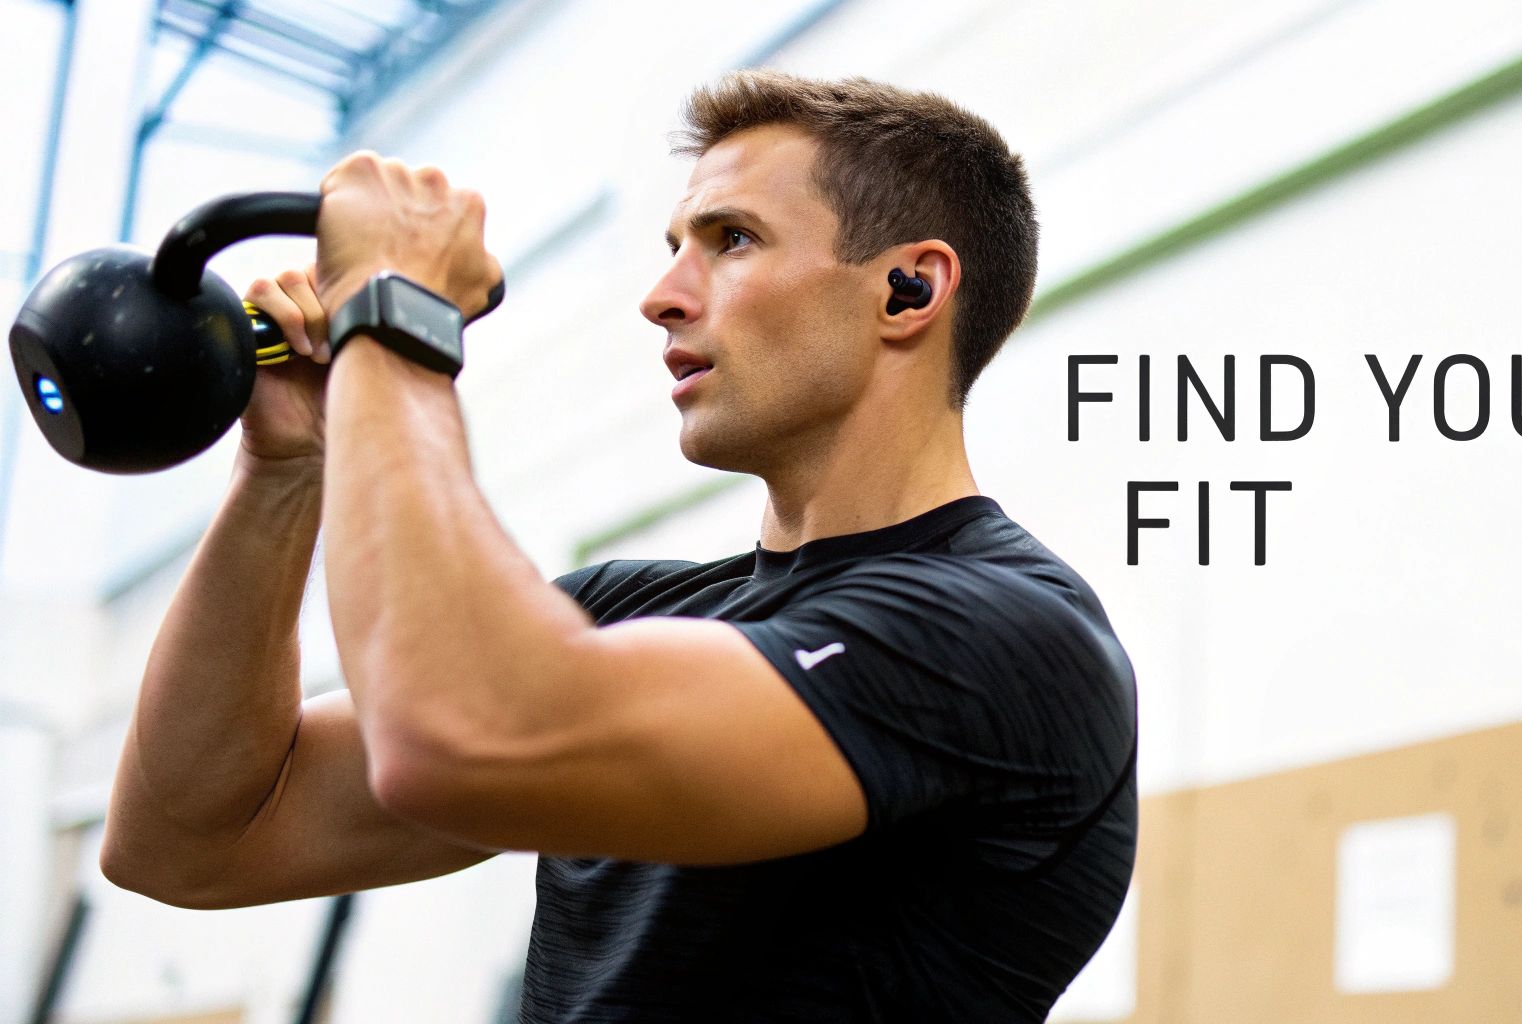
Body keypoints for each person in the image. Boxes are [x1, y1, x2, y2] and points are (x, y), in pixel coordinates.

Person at [99, 69, 1138, 1022]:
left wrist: (398, 320)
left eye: (730, 240)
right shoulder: (620, 617)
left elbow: (457, 733)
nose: (663, 296)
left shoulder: (1006, 636)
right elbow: (187, 839)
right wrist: (286, 473)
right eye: (674, 247)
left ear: (907, 289)